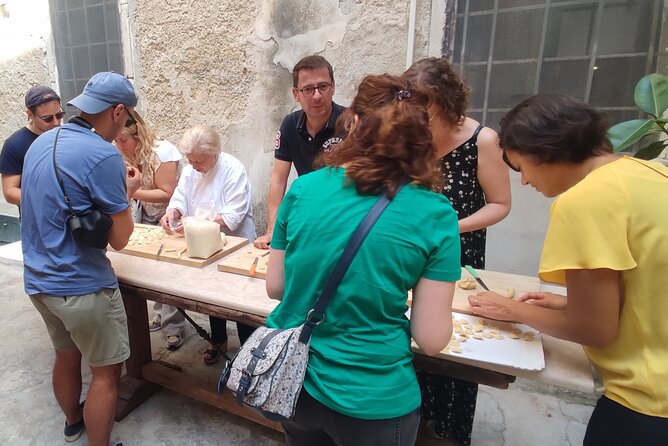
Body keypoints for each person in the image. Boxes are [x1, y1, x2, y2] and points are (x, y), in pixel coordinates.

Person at [264, 74, 462, 445]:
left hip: (294, 384)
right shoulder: (436, 213)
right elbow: (432, 339)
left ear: (352, 122)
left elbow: (276, 287)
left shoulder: (304, 187)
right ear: (422, 139)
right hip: (372, 398)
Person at [468, 94, 668, 445]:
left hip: (648, 401)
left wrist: (512, 310)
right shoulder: (649, 171)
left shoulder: (585, 199)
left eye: (520, 168)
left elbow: (594, 330)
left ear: (542, 152)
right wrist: (568, 303)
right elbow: (651, 279)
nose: (526, 182)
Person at [20, 72, 140, 446]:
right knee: (106, 374)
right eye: (128, 117)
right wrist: (129, 190)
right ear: (118, 111)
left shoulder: (41, 142)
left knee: (66, 355)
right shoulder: (104, 153)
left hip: (39, 281)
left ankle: (73, 422)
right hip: (82, 287)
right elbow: (120, 239)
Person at [403, 57, 511, 444]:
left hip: (461, 255)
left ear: (446, 101)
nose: (416, 117)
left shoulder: (483, 139)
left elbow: (500, 204)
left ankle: (447, 432)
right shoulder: (412, 138)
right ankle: (412, 424)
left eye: (424, 108)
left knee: (455, 344)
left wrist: (451, 227)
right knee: (416, 337)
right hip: (413, 252)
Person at [160, 125, 256, 364]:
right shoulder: (192, 170)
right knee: (211, 297)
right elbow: (181, 196)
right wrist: (174, 211)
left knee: (238, 301)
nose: (194, 166)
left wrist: (193, 223)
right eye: (190, 160)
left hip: (235, 244)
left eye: (199, 162)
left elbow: (232, 217)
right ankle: (218, 339)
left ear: (215, 153)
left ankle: (247, 350)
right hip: (203, 246)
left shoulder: (232, 170)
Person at [254, 55, 345, 249]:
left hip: (342, 220)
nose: (317, 95)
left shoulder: (350, 123)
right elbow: (278, 180)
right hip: (306, 214)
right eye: (308, 89)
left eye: (323, 86)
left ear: (333, 87)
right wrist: (272, 230)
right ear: (296, 94)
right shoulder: (289, 125)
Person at [115, 112, 186, 350]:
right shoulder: (126, 152)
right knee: (150, 271)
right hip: (144, 213)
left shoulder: (163, 152)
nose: (119, 145)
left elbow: (167, 193)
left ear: (138, 135)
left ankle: (174, 326)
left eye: (123, 140)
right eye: (115, 140)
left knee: (168, 272)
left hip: (169, 216)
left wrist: (131, 191)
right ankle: (160, 314)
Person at [1, 85, 63, 206]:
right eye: (48, 118)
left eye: (59, 115)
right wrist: (49, 201)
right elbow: (10, 192)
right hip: (36, 220)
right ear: (30, 114)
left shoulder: (66, 134)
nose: (56, 123)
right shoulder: (14, 144)